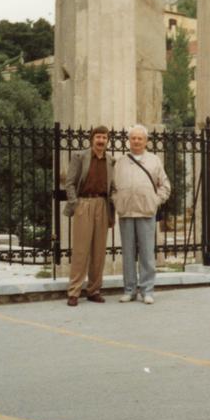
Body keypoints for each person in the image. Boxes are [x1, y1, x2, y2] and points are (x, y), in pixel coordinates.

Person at [114, 124, 171, 305]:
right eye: (133, 138)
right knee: (128, 253)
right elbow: (112, 187)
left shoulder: (154, 160)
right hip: (126, 212)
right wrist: (117, 201)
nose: (136, 141)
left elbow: (165, 186)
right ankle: (129, 290)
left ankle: (147, 290)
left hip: (146, 211)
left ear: (146, 141)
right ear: (128, 140)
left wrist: (155, 200)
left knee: (147, 253)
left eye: (140, 138)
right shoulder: (120, 162)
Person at [63, 125, 115, 307]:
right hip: (83, 203)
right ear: (92, 139)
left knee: (99, 251)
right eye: (98, 137)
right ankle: (74, 291)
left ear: (108, 141)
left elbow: (112, 187)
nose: (101, 140)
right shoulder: (79, 157)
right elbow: (69, 183)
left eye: (104, 138)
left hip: (102, 204)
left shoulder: (111, 160)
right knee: (81, 250)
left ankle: (94, 290)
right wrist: (75, 203)